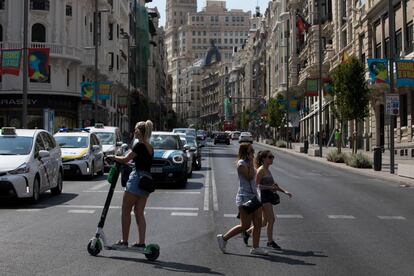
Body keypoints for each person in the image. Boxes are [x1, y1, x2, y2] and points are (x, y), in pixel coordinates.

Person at [107, 120, 154, 249]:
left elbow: (125, 159)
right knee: (139, 212)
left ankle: (124, 241)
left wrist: (113, 157)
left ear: (140, 131)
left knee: (125, 210)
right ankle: (141, 242)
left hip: (136, 180)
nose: (134, 132)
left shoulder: (139, 145)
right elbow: (142, 163)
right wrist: (130, 163)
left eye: (135, 130)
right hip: (147, 182)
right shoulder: (150, 147)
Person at [216, 143, 268, 255]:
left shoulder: (250, 163)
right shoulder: (241, 164)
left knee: (258, 222)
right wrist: (250, 164)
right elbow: (249, 177)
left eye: (253, 151)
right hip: (244, 198)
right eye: (251, 151)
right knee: (245, 225)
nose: (253, 153)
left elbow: (254, 179)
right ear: (245, 152)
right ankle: (223, 238)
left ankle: (255, 248)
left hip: (254, 196)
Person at [243, 150, 292, 249]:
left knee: (264, 222)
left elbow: (273, 185)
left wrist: (285, 191)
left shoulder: (268, 170)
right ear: (263, 159)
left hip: (268, 197)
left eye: (272, 157)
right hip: (263, 198)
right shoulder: (261, 170)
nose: (272, 159)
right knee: (272, 220)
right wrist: (270, 188)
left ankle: (247, 233)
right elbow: (256, 186)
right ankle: (270, 241)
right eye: (270, 157)